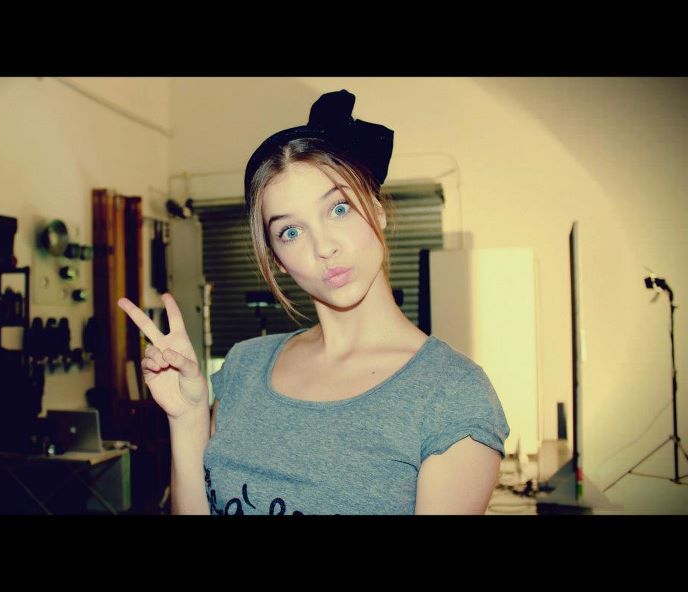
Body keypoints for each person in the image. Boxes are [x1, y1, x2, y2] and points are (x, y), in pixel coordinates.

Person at [118, 89, 510, 515]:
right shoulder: (244, 367)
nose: (323, 247)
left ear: (377, 210)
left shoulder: (450, 393)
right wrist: (188, 418)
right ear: (278, 260)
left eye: (338, 209)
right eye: (291, 232)